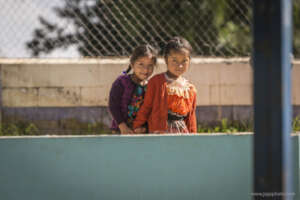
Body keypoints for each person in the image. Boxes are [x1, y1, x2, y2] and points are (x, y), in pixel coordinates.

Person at [133, 36, 197, 134]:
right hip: (159, 134)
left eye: (184, 61)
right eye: (174, 60)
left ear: (189, 61)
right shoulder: (156, 82)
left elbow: (191, 117)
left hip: (182, 135)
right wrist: (137, 126)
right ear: (166, 59)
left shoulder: (190, 89)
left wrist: (194, 137)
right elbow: (146, 107)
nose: (179, 66)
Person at [108, 44, 158, 134]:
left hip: (141, 132)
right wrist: (122, 127)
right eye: (141, 64)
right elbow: (113, 105)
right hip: (120, 131)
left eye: (150, 65)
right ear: (132, 64)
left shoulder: (151, 86)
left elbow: (151, 111)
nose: (145, 70)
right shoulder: (121, 82)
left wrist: (145, 128)